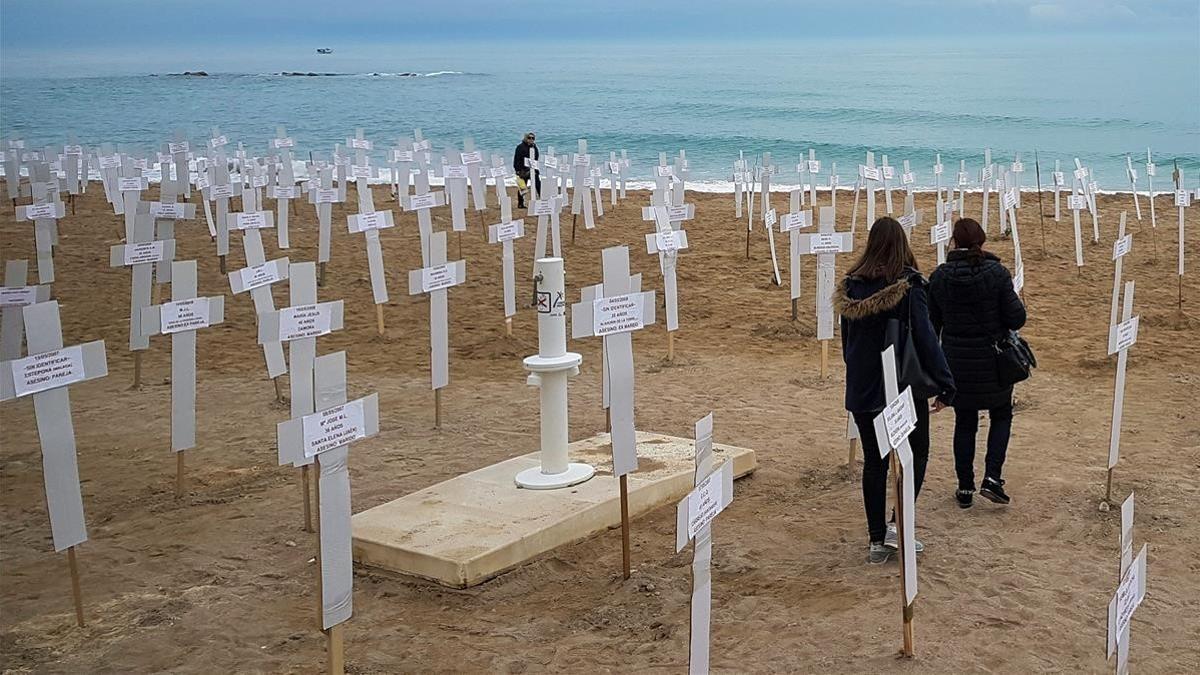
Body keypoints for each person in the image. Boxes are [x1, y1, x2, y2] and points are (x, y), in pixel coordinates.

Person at [835, 217, 955, 564]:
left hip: (862, 386)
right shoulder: (909, 286)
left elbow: (847, 344)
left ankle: (877, 539)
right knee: (914, 456)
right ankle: (897, 526)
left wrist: (858, 373)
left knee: (875, 461)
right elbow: (926, 338)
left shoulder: (849, 287)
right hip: (901, 388)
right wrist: (946, 382)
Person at [928, 218, 1027, 509]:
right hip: (995, 361)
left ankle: (964, 486)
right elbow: (1016, 318)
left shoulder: (940, 276)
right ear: (982, 242)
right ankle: (992, 478)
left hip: (956, 362)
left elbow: (932, 326)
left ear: (954, 243)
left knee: (965, 421)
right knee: (1001, 415)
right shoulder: (997, 273)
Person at [512, 132, 540, 209]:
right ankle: (520, 203)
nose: (531, 139)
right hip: (522, 170)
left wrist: (535, 169)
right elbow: (516, 159)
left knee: (538, 185)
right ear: (525, 138)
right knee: (522, 187)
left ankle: (542, 201)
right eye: (529, 138)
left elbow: (536, 158)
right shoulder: (520, 147)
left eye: (532, 138)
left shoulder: (534, 147)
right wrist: (517, 170)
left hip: (532, 169)